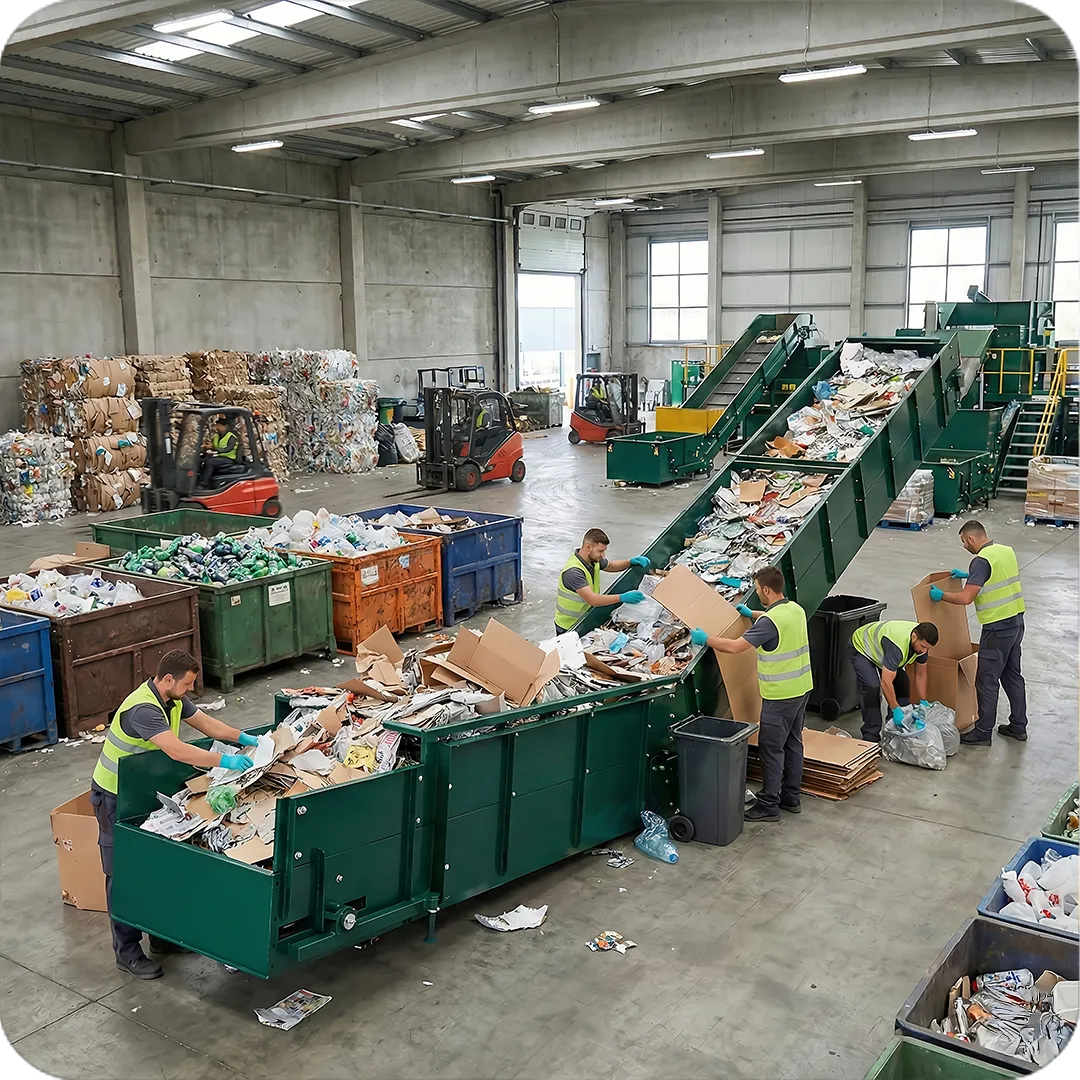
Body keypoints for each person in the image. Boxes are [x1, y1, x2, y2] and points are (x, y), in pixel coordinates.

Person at [90, 650, 258, 980]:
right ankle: (127, 952)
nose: (192, 689)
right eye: (188, 683)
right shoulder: (144, 709)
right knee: (123, 873)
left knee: (158, 863)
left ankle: (162, 938)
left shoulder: (174, 700)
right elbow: (177, 750)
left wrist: (243, 738)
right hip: (113, 796)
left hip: (141, 791)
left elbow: (207, 723)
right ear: (168, 679)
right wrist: (226, 761)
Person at [690, 566, 812, 822]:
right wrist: (752, 614)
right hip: (802, 689)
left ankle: (769, 804)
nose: (758, 594)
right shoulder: (795, 609)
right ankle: (791, 797)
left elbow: (735, 647)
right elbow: (774, 619)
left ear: (766, 589)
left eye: (757, 590)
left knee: (771, 748)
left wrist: (706, 639)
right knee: (793, 742)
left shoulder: (770, 622)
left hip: (780, 696)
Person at [929, 519, 1027, 746]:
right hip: (1016, 622)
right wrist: (968, 575)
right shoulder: (1004, 551)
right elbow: (998, 574)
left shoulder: (980, 561)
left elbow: (965, 598)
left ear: (972, 538)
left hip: (997, 628)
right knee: (1012, 675)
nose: (964, 546)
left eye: (964, 542)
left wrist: (941, 596)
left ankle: (982, 732)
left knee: (987, 679)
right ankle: (1018, 726)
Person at [849, 619, 939, 742]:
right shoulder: (897, 645)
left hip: (881, 652)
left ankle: (895, 730)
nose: (924, 651)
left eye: (928, 648)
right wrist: (895, 708)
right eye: (923, 647)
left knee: (902, 683)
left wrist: (923, 700)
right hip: (862, 647)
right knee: (872, 687)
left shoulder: (922, 645)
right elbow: (886, 683)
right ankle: (871, 735)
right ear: (914, 636)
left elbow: (921, 674)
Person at [554, 528, 651, 635]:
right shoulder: (574, 572)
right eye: (600, 551)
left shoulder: (592, 560)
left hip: (584, 619)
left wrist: (630, 562)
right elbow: (593, 600)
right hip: (568, 626)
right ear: (588, 547)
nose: (603, 555)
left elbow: (611, 566)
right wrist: (622, 597)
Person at [198, 415, 239, 487]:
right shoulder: (216, 436)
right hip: (219, 457)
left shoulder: (231, 437)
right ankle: (200, 480)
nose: (217, 428)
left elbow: (228, 449)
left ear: (224, 426)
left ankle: (203, 484)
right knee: (201, 460)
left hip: (229, 458)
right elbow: (213, 446)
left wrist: (216, 449)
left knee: (210, 462)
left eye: (218, 426)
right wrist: (206, 447)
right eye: (216, 426)